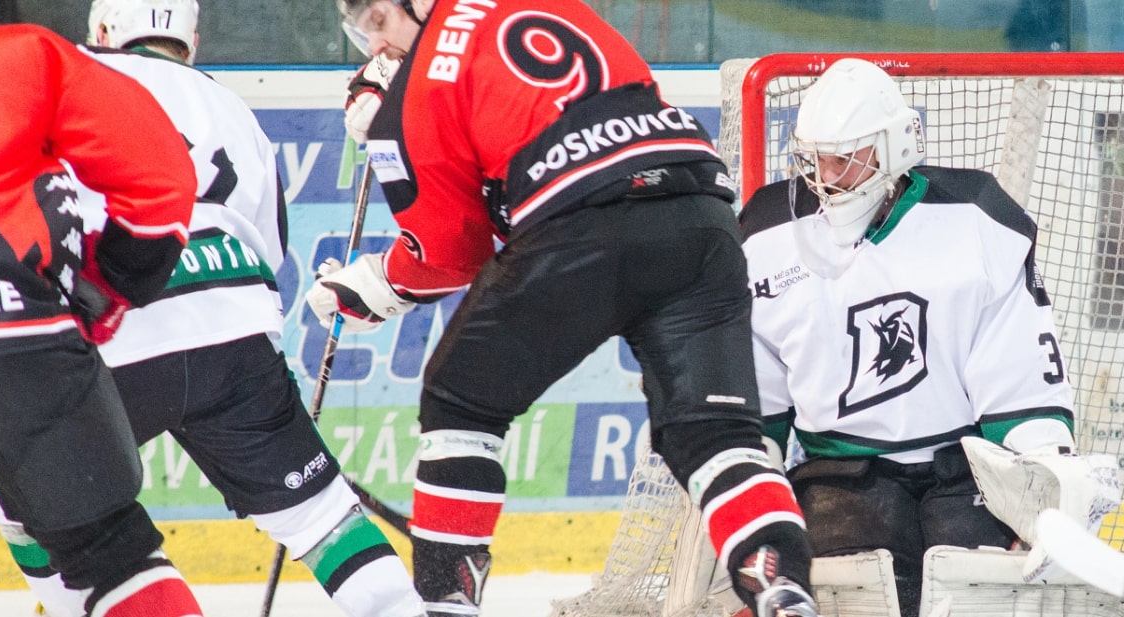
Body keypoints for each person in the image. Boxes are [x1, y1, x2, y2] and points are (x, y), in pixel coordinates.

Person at [322, 1, 818, 615]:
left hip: (586, 229)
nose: (374, 45)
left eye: (377, 21)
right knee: (714, 434)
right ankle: (782, 589)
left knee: (458, 401)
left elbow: (452, 254)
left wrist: (376, 277)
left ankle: (447, 604)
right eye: (361, 30)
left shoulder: (416, 91)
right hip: (701, 213)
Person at [0, 2, 428, 616]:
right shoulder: (230, 105)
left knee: (22, 495)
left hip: (113, 322)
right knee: (322, 516)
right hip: (233, 323)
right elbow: (269, 250)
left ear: (101, 30)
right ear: (193, 38)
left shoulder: (64, 74)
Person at [737, 58, 1115, 617]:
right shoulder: (767, 235)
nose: (828, 174)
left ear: (894, 148)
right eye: (817, 158)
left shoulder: (978, 221)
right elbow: (758, 395)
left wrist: (1043, 474)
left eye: (847, 158)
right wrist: (754, 492)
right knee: (868, 594)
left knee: (979, 590)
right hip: (837, 475)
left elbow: (1017, 371)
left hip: (963, 469)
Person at [0, 2, 208, 616]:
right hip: (14, 333)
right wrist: (106, 287)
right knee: (113, 552)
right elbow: (161, 181)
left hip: (12, 336)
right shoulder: (29, 56)